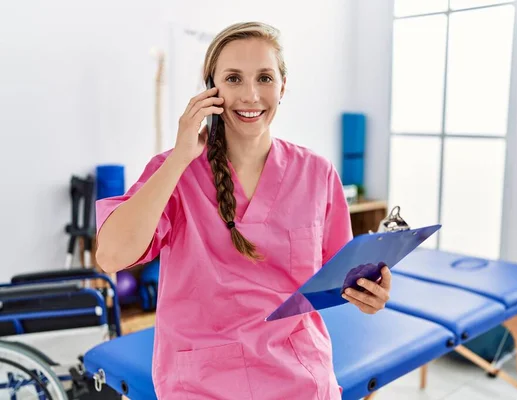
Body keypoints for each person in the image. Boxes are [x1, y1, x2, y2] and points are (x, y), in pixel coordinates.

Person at [95, 21, 392, 400]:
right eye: (234, 79)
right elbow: (111, 255)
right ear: (210, 91)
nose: (251, 95)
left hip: (299, 378)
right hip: (199, 383)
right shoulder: (173, 173)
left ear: (283, 86)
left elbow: (340, 279)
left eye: (265, 78)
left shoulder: (317, 173)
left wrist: (371, 294)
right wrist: (181, 156)